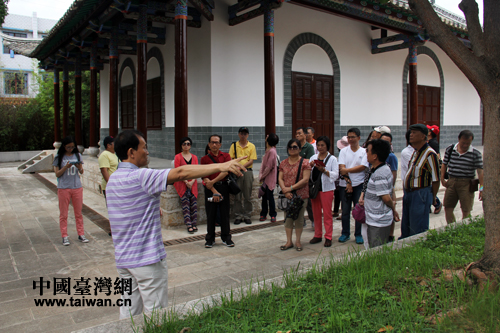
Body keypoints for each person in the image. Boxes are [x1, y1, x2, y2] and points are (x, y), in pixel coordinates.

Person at [106, 130, 245, 319]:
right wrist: (223, 165)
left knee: (129, 315)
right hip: (147, 261)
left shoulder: (113, 179)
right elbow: (180, 172)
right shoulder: (141, 177)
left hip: (124, 261)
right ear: (131, 152)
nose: (147, 152)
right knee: (156, 317)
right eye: (144, 147)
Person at [401, 124, 440, 239]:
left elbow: (435, 179)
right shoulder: (415, 152)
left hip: (420, 193)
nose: (411, 135)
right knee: (406, 224)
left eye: (414, 133)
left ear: (423, 136)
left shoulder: (430, 154)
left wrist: (433, 196)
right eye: (410, 132)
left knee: (417, 226)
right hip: (409, 193)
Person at [359, 139, 400, 248]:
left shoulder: (380, 174)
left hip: (378, 220)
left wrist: (393, 207)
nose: (366, 153)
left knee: (377, 250)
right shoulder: (380, 169)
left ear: (375, 156)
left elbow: (386, 198)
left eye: (368, 151)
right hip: (375, 218)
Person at [441, 130, 483, 224]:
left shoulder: (475, 153)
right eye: (463, 143)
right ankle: (451, 227)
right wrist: (442, 178)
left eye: (468, 143)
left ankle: (465, 228)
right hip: (452, 181)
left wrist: (482, 187)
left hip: (466, 183)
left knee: (466, 209)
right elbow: (444, 164)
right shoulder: (451, 149)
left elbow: (480, 171)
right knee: (448, 207)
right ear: (459, 139)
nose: (465, 145)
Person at [202, 134, 236, 247]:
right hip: (210, 189)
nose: (214, 144)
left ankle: (226, 237)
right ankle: (210, 239)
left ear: (220, 144)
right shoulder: (204, 159)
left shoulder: (226, 156)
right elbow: (204, 175)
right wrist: (212, 188)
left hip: (223, 187)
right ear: (209, 144)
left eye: (216, 142)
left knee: (224, 213)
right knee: (211, 214)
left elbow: (226, 171)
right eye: (212, 142)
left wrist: (214, 182)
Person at [52, 136, 87, 246]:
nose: (70, 149)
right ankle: (64, 235)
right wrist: (65, 167)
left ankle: (81, 234)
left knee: (78, 213)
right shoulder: (59, 157)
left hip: (76, 187)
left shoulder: (77, 155)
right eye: (68, 147)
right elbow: (57, 174)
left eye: (72, 147)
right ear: (64, 146)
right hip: (64, 188)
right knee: (64, 214)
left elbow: (81, 171)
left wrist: (79, 166)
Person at [278, 139, 311, 251]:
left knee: (299, 218)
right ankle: (288, 241)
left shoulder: (305, 163)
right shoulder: (283, 163)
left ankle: (298, 241)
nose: (292, 149)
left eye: (295, 147)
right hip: (287, 195)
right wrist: (285, 190)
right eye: (290, 147)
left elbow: (305, 179)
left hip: (300, 195)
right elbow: (280, 178)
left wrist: (290, 188)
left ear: (300, 149)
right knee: (288, 218)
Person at [338, 128, 369, 244]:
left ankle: (358, 234)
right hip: (345, 185)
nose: (350, 139)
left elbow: (362, 167)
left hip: (359, 185)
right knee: (345, 211)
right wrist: (348, 183)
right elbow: (341, 169)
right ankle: (345, 233)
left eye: (353, 137)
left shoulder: (363, 152)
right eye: (349, 137)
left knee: (358, 210)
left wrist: (347, 170)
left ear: (359, 138)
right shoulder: (343, 151)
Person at [308, 136, 339, 247]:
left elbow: (336, 174)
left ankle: (328, 236)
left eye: (323, 145)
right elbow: (307, 171)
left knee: (327, 213)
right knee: (316, 213)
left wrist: (324, 171)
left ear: (327, 146)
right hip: (315, 189)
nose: (320, 147)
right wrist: (310, 166)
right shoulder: (313, 157)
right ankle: (317, 234)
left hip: (327, 189)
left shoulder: (332, 159)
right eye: (319, 145)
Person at [229, 127, 257, 225]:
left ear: (248, 135)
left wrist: (240, 167)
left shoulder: (251, 146)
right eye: (241, 133)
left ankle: (247, 215)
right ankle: (238, 215)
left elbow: (251, 160)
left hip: (247, 172)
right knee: (237, 195)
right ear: (238, 134)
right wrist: (237, 168)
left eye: (245, 134)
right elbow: (231, 158)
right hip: (236, 172)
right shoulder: (234, 145)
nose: (243, 135)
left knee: (247, 195)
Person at [174, 137, 199, 234]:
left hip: (193, 184)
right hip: (182, 183)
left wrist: (192, 181)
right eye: (184, 144)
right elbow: (177, 170)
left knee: (194, 204)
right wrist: (186, 182)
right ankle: (188, 224)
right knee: (185, 205)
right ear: (181, 146)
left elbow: (197, 170)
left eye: (188, 144)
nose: (186, 145)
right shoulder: (178, 157)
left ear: (190, 145)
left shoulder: (195, 157)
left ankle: (194, 223)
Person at [380, 133, 398, 242]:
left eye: (386, 142)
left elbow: (394, 173)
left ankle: (390, 235)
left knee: (391, 210)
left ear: (390, 144)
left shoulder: (391, 157)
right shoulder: (375, 155)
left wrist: (390, 189)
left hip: (388, 188)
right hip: (378, 188)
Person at [295, 127, 315, 226]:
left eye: (299, 133)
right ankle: (300, 220)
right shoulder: (295, 146)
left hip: (306, 177)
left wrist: (298, 162)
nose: (297, 135)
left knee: (309, 201)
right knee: (298, 199)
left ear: (305, 135)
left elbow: (308, 162)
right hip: (297, 177)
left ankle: (313, 220)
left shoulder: (309, 147)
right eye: (296, 134)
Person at [259, 133, 279, 222]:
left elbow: (268, 167)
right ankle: (263, 213)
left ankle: (272, 214)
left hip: (269, 179)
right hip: (266, 178)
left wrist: (262, 176)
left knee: (270, 197)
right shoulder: (269, 150)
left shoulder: (272, 151)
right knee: (264, 196)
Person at [426, 125, 443, 214]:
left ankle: (437, 203)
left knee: (429, 188)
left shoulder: (433, 143)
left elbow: (437, 156)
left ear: (430, 133)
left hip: (431, 169)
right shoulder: (430, 141)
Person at [333, 136, 349, 219]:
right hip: (340, 180)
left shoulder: (346, 156)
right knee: (338, 195)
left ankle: (343, 213)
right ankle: (336, 211)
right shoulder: (341, 155)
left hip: (345, 180)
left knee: (343, 198)